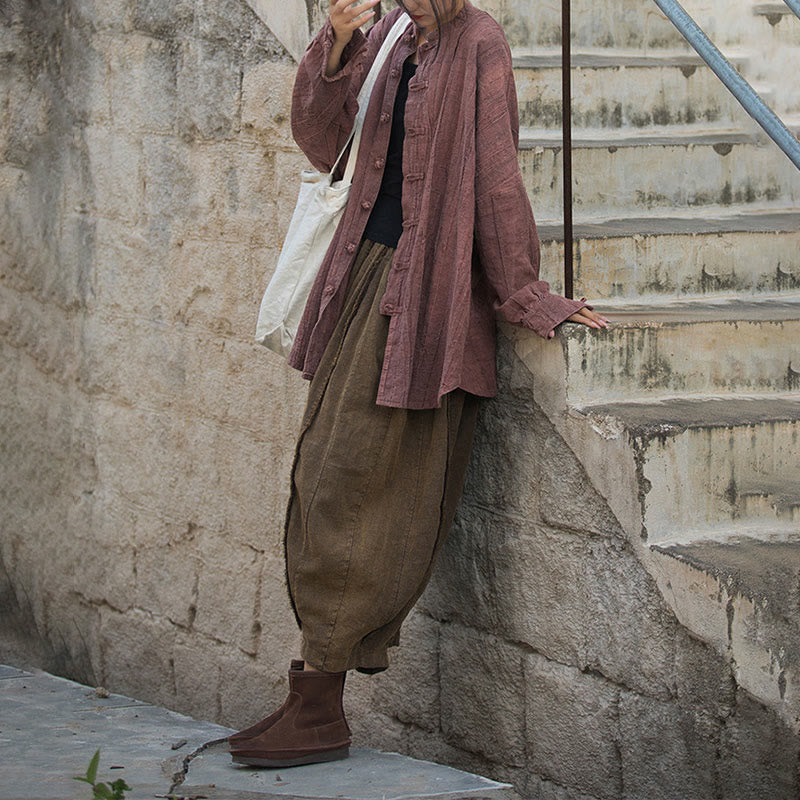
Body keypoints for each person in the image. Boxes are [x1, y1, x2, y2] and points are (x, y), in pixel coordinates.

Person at [228, 0, 610, 769]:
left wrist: (529, 298)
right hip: (359, 279)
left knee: (353, 484)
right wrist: (336, 45)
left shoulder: (479, 44)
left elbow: (497, 179)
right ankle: (312, 696)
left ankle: (320, 707)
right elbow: (325, 143)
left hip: (425, 295)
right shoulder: (394, 35)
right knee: (320, 471)